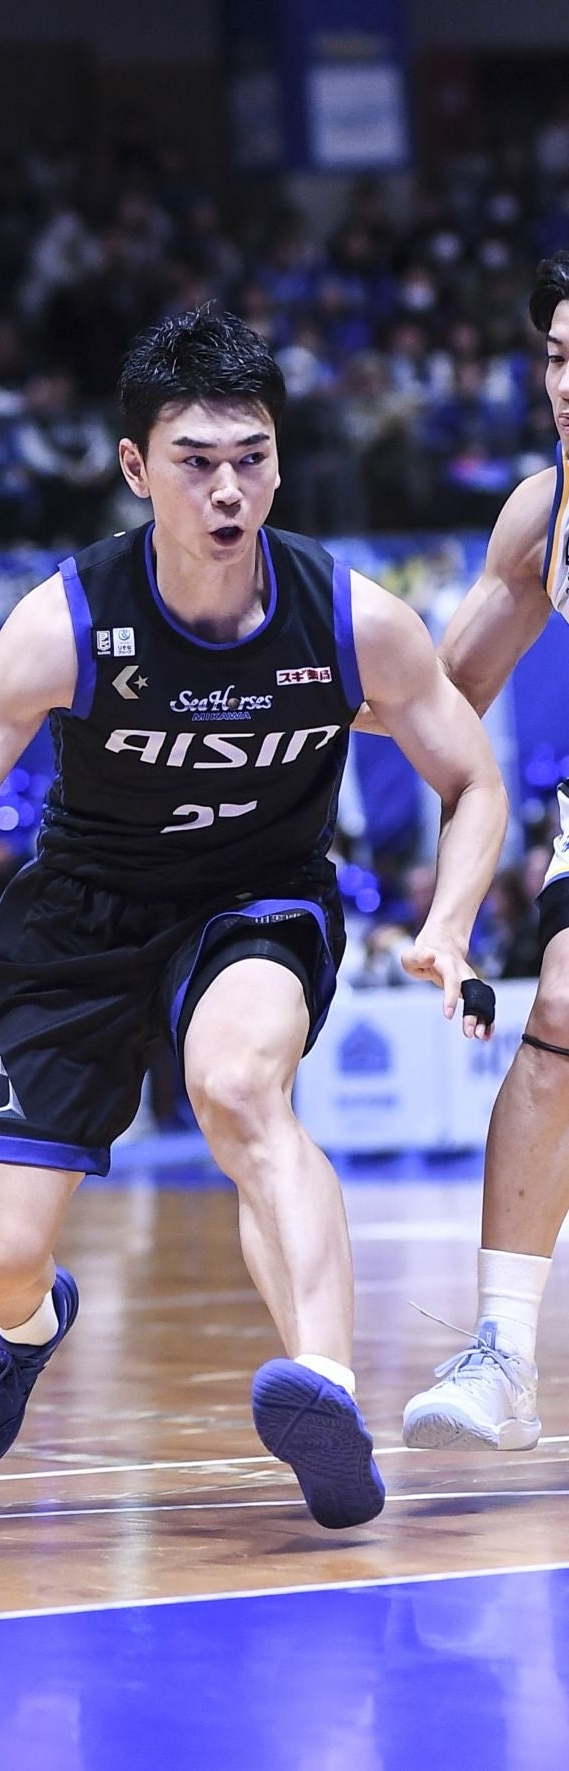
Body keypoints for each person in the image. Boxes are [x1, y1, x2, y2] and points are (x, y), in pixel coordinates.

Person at [0, 308, 506, 1531]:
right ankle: (27, 1322)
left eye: (252, 458)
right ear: (135, 466)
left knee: (240, 1087)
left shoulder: (352, 618)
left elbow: (474, 777)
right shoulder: (63, 623)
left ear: (280, 461)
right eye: (195, 461)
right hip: (81, 919)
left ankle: (326, 1388)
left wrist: (451, 921)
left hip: (256, 901)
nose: (228, 489)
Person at [401, 252, 569, 1452]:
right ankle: (504, 1354)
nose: (568, 384)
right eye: (558, 357)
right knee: (559, 1011)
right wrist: (287, 683)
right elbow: (444, 691)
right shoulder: (543, 513)